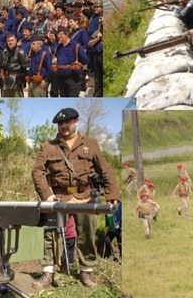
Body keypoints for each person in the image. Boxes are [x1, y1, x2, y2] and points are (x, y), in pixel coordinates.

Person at [32, 108, 120, 289]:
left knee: (87, 235)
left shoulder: (90, 143)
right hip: (58, 198)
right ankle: (48, 273)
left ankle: (86, 273)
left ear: (76, 122)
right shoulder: (48, 147)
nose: (63, 126)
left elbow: (105, 169)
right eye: (60, 123)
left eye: (67, 122)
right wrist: (47, 195)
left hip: (84, 197)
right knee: (50, 235)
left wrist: (112, 194)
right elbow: (37, 171)